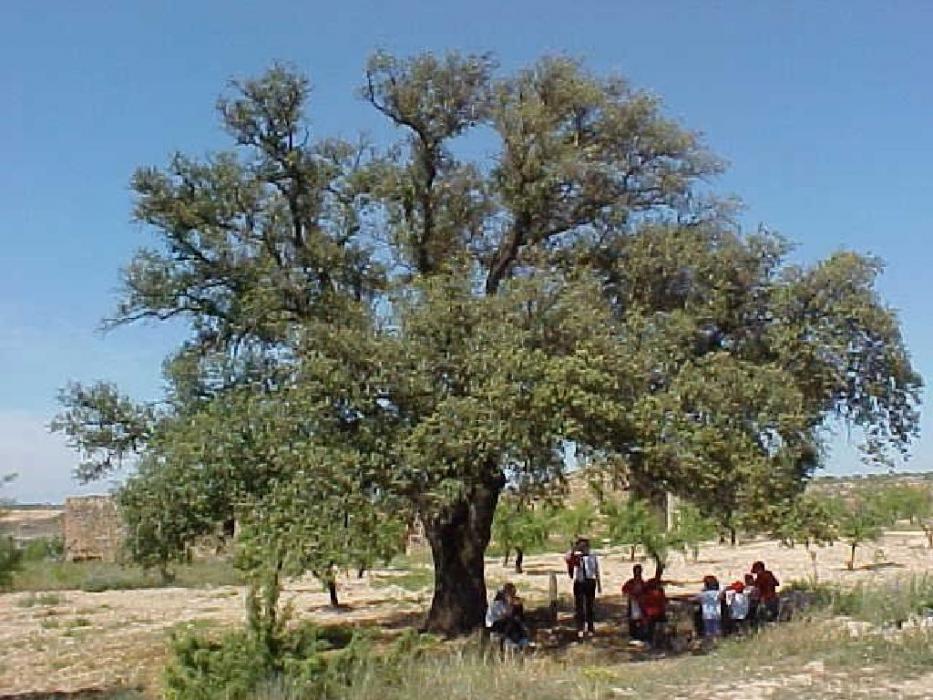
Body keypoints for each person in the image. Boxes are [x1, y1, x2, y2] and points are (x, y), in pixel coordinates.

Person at [566, 537, 601, 638]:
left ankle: (590, 628)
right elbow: (568, 559)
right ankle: (580, 628)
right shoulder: (575, 555)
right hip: (579, 582)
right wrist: (573, 549)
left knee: (590, 606)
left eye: (584, 544)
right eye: (580, 544)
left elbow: (596, 569)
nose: (583, 547)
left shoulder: (592, 554)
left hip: (590, 581)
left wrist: (599, 584)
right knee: (579, 606)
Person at [485, 582, 531, 648]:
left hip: (507, 624)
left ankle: (521, 641)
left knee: (517, 624)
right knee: (510, 621)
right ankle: (504, 639)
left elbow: (517, 618)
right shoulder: (496, 604)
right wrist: (511, 605)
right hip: (494, 624)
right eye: (510, 594)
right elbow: (504, 615)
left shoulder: (511, 604)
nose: (513, 596)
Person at [640, 577, 668, 648]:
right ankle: (655, 643)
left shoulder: (648, 593)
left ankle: (654, 643)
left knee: (653, 630)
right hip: (654, 614)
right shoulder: (655, 592)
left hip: (655, 614)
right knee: (654, 629)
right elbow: (663, 602)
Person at [621, 564, 647, 640]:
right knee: (632, 619)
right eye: (636, 572)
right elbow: (624, 590)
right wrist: (630, 595)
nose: (637, 574)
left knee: (640, 619)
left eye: (639, 572)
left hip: (640, 603)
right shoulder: (631, 582)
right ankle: (633, 635)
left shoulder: (643, 583)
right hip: (632, 603)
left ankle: (640, 635)